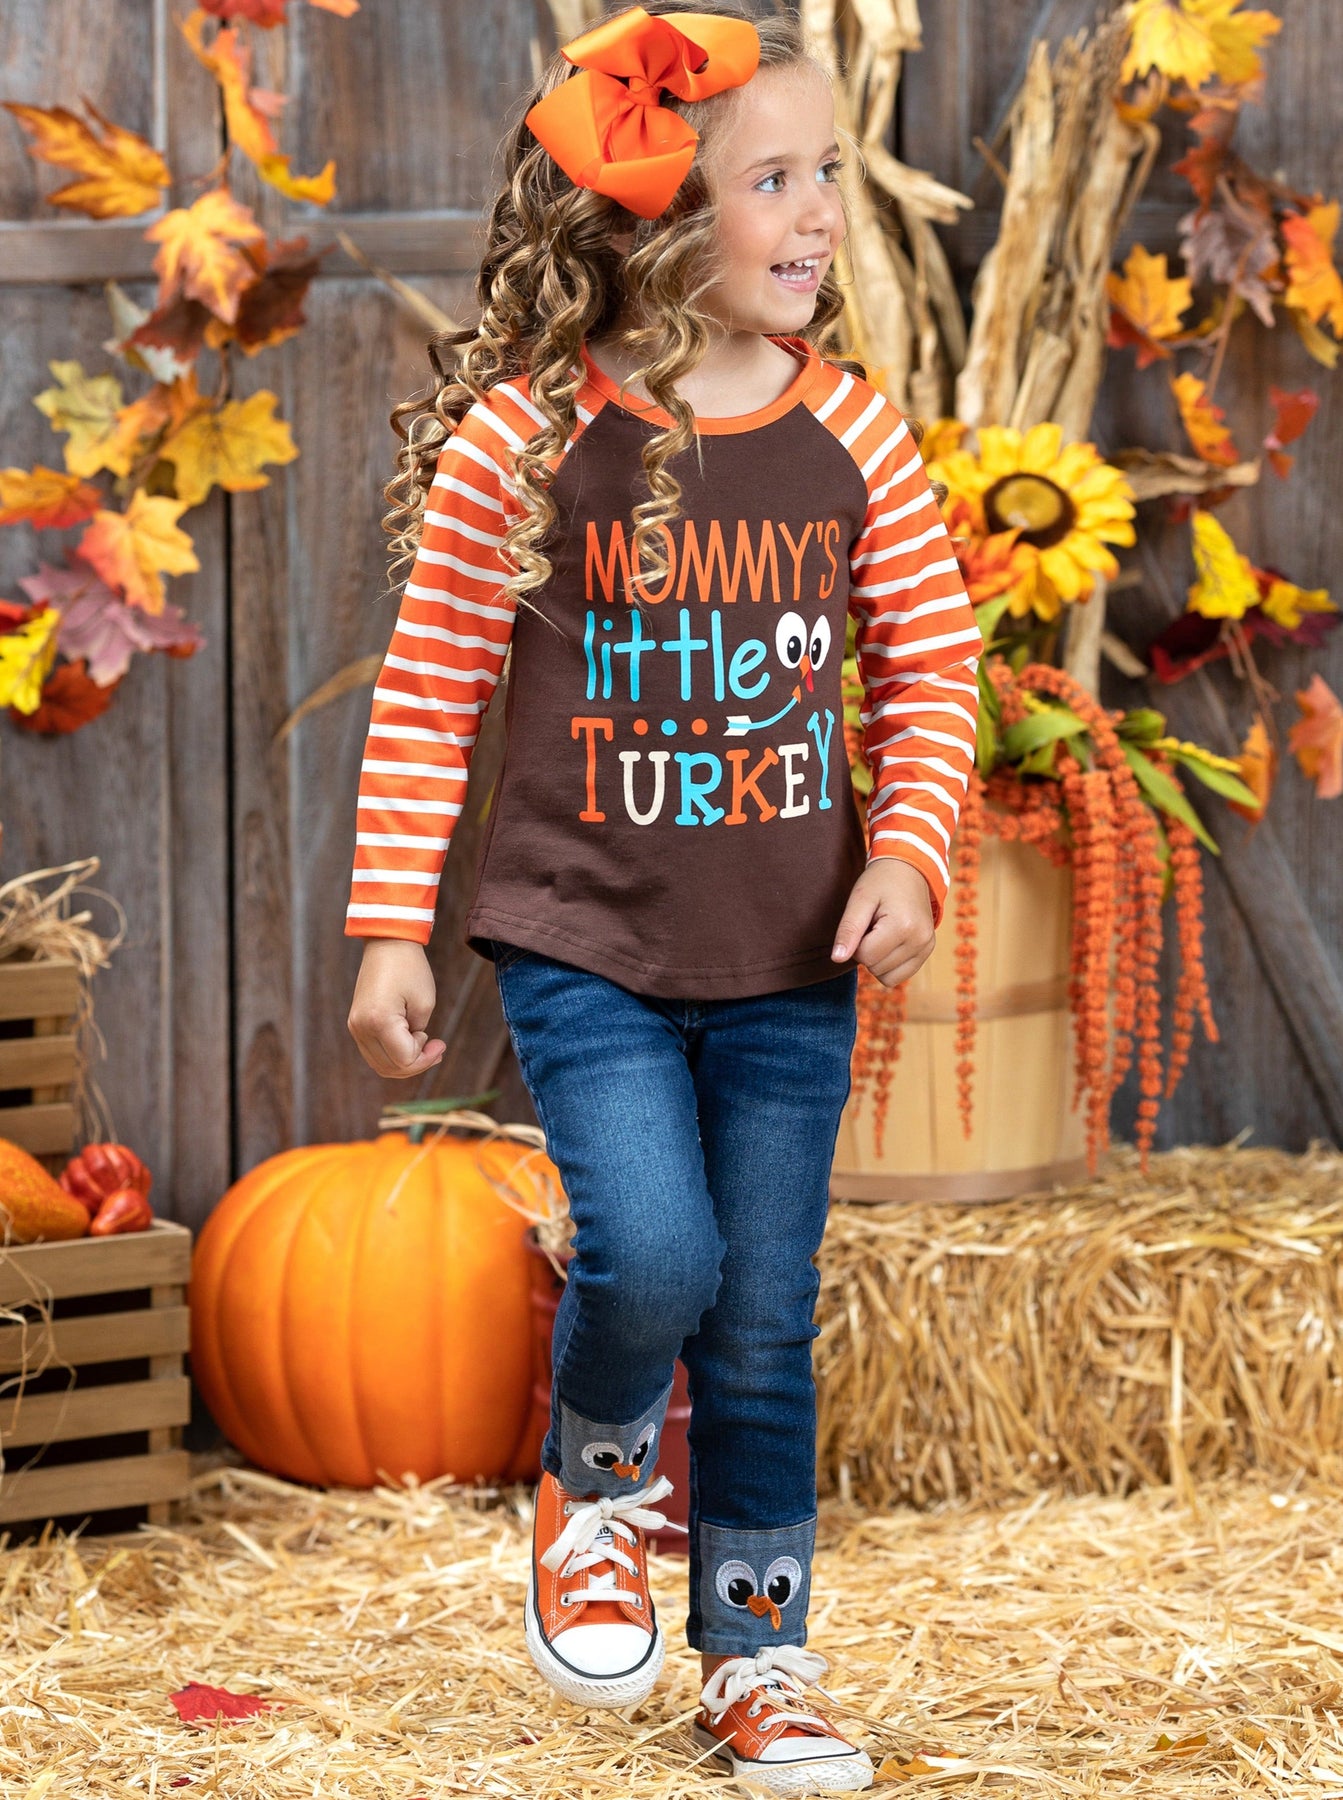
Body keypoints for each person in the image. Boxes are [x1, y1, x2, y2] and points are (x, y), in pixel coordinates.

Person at [345, 4, 979, 1791]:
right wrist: (391, 930)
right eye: (772, 179)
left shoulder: (854, 437)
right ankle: (598, 1484)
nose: (819, 211)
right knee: (660, 1249)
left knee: (764, 1314)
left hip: (790, 957)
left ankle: (760, 1661)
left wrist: (912, 849)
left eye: (828, 171)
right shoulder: (526, 440)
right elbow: (432, 694)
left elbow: (934, 670)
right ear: (651, 217)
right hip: (588, 945)